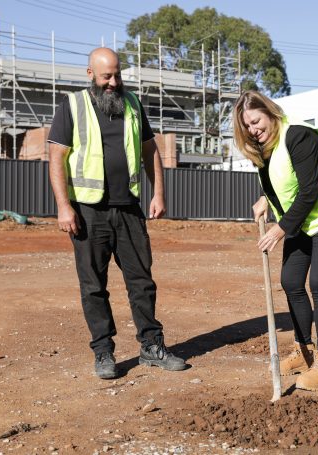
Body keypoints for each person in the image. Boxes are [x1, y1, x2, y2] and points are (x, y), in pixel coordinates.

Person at [47, 47, 186, 379]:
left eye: (117, 75)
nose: (113, 82)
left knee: (142, 281)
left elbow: (150, 150)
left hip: (129, 209)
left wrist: (159, 192)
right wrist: (64, 207)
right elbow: (56, 160)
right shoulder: (73, 105)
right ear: (90, 74)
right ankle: (103, 352)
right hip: (88, 211)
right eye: (106, 76)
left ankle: (152, 347)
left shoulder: (133, 104)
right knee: (93, 285)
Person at [233, 90, 318, 392]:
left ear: (270, 112)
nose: (253, 129)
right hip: (300, 221)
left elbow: (309, 190)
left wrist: (280, 229)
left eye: (256, 121)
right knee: (290, 281)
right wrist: (266, 199)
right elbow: (281, 182)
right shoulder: (263, 148)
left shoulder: (299, 137)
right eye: (246, 126)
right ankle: (304, 351)